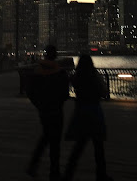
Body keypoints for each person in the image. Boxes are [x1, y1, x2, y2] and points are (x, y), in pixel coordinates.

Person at [63, 54, 112, 181]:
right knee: (98, 147)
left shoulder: (76, 77)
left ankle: (68, 174)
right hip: (95, 111)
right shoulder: (95, 76)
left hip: (81, 111)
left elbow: (67, 86)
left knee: (79, 147)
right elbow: (104, 92)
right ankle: (101, 175)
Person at [26, 45, 70, 181]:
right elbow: (65, 93)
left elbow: (30, 92)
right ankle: (54, 172)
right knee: (55, 142)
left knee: (46, 136)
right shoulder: (61, 73)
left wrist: (38, 105)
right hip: (56, 111)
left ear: (45, 55)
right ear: (55, 55)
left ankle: (34, 165)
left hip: (43, 111)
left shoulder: (37, 72)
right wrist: (59, 102)